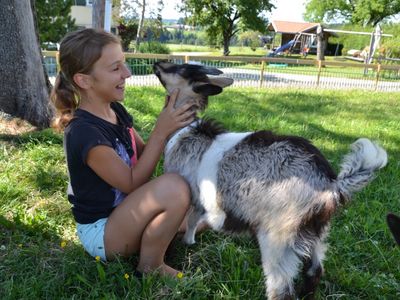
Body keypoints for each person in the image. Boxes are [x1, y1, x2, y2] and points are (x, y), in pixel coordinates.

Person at [51, 28, 195, 278]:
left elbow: (145, 151)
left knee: (196, 207)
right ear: (84, 80)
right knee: (175, 187)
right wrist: (160, 131)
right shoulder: (83, 132)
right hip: (104, 233)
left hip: (127, 214)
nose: (127, 73)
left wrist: (171, 125)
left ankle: (181, 227)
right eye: (115, 68)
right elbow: (131, 182)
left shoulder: (114, 111)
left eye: (124, 65)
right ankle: (151, 266)